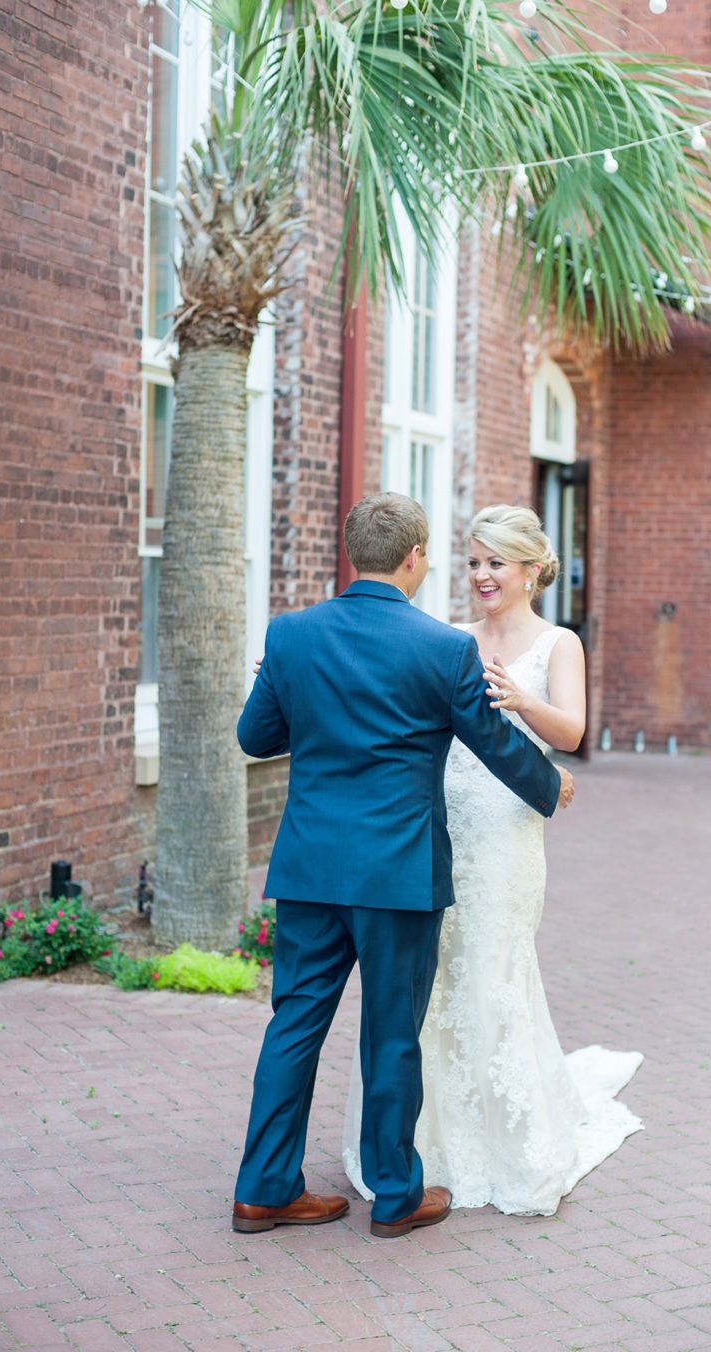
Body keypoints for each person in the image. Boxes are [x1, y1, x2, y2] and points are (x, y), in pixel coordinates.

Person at [232, 493, 575, 1239]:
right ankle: (395, 1197)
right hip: (398, 874)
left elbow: (255, 737)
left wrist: (287, 683)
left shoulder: (291, 636)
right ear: (416, 557)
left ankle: (262, 1190)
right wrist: (550, 787)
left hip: (311, 869)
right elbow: (491, 740)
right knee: (391, 1032)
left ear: (353, 553)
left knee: (294, 1024)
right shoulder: (440, 648)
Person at [344, 504, 642, 1216]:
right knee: (435, 978)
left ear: (532, 569)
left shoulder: (558, 642)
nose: (480, 575)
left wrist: (522, 699)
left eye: (494, 563)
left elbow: (572, 732)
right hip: (439, 823)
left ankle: (509, 1141)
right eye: (474, 561)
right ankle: (426, 1141)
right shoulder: (449, 637)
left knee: (493, 969)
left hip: (506, 833)